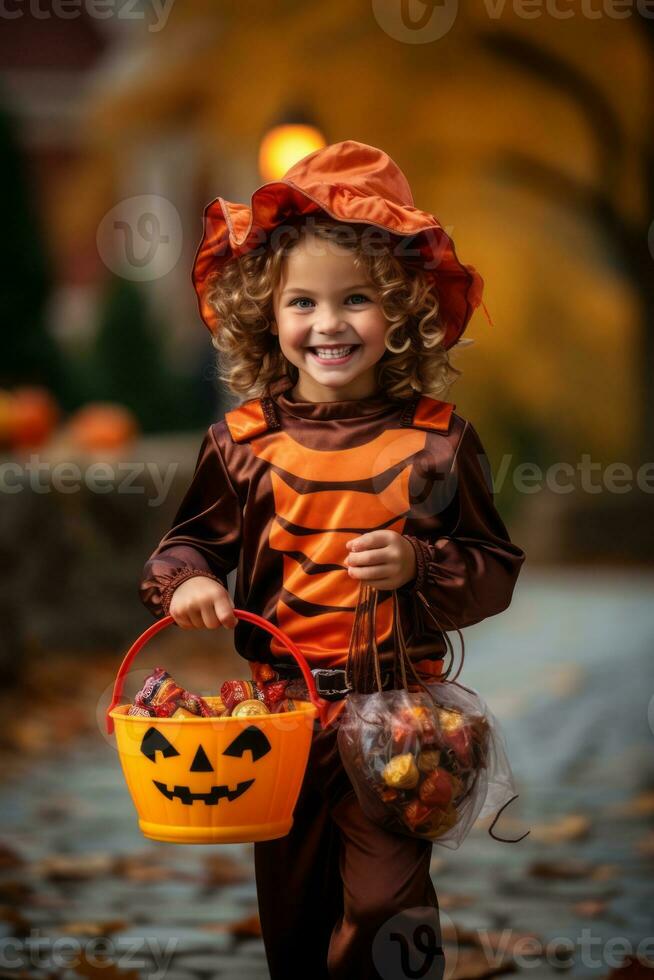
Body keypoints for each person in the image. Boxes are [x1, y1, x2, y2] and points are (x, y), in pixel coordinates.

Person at [138, 140, 525, 980]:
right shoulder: (239, 445)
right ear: (266, 315)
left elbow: (493, 562)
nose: (328, 323)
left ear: (401, 311)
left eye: (357, 300)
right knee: (295, 919)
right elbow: (187, 542)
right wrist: (192, 579)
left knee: (390, 909)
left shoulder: (438, 441)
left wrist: (421, 566)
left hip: (399, 721)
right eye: (303, 302)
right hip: (277, 725)